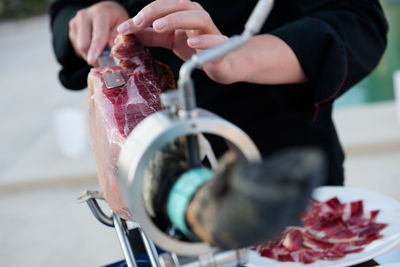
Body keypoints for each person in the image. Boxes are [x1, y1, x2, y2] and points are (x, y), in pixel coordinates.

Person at [49, 0, 387, 190]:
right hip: (151, 179)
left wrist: (240, 56)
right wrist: (93, 14)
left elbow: (357, 22)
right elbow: (65, 9)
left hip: (278, 171)